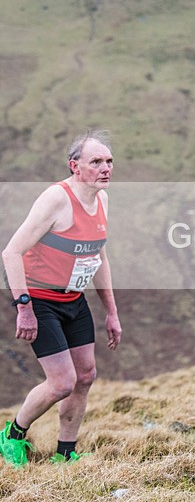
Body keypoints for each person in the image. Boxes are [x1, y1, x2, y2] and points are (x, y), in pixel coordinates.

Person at [0, 130, 121, 467]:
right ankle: (12, 435)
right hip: (39, 300)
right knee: (62, 382)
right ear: (75, 166)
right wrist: (23, 307)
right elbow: (11, 252)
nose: (105, 168)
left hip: (74, 300)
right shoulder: (56, 199)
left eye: (109, 161)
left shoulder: (101, 199)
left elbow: (99, 258)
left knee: (85, 376)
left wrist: (111, 312)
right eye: (96, 161)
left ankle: (64, 454)